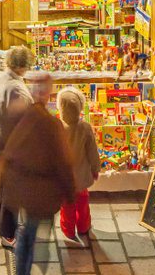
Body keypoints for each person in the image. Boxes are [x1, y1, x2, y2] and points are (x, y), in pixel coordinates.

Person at [0, 73, 74, 274]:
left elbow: (8, 149)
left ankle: (22, 270)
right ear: (48, 96)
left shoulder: (19, 116)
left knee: (26, 234)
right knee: (38, 240)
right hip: (43, 193)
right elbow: (63, 163)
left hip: (22, 188)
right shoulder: (53, 126)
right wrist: (70, 191)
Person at [0, 46, 34, 247]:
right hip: (12, 146)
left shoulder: (3, 79)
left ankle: (3, 226)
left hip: (0, 141)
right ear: (23, 67)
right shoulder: (17, 89)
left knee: (6, 186)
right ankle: (7, 233)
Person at [57, 87, 99, 245]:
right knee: (83, 203)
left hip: (64, 178)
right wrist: (95, 169)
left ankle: (68, 230)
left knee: (67, 206)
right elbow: (92, 152)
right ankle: (83, 226)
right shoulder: (85, 128)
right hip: (81, 175)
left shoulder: (57, 127)